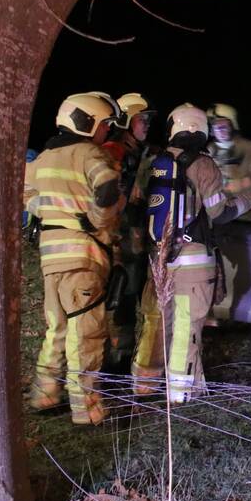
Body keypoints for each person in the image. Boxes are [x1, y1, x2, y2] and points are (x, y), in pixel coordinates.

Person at [132, 104, 251, 402]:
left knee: (160, 323)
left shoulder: (154, 161)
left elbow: (137, 205)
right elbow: (219, 213)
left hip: (159, 259)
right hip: (193, 263)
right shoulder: (203, 164)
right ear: (200, 129)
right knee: (186, 328)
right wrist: (250, 199)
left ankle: (145, 384)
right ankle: (181, 393)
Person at [24, 93, 123, 425]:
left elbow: (25, 193)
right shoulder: (89, 153)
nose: (107, 131)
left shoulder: (43, 158)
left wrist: (50, 212)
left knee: (57, 329)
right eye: (105, 125)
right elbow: (107, 187)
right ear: (88, 122)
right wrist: (96, 220)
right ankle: (87, 411)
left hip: (51, 259)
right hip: (83, 257)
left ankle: (45, 394)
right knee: (86, 335)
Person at [100, 93, 157, 371]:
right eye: (141, 119)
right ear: (126, 121)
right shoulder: (113, 152)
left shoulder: (143, 153)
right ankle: (114, 362)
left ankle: (126, 358)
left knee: (134, 298)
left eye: (148, 120)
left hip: (138, 241)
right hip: (119, 241)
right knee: (119, 300)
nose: (147, 125)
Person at [206, 103, 251, 219]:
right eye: (216, 127)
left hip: (243, 209)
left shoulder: (249, 148)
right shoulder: (209, 150)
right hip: (216, 209)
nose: (220, 130)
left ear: (232, 126)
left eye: (224, 126)